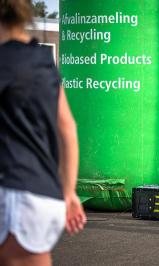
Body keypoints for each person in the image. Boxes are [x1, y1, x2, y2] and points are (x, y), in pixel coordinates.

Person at [0, 1, 86, 265]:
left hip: (14, 194)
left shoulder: (5, 61)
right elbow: (68, 128)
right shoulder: (42, 59)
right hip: (44, 195)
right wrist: (69, 192)